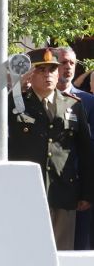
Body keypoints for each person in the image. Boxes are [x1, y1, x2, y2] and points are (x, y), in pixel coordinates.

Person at [0, 48, 94, 250]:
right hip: (26, 192)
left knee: (62, 253)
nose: (48, 75)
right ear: (30, 74)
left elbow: (85, 152)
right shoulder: (20, 102)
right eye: (41, 70)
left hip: (63, 192)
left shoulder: (73, 105)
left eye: (52, 69)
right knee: (27, 251)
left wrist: (87, 193)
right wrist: (17, 89)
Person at [55, 48, 94, 250]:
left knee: (77, 247)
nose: (67, 67)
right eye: (62, 62)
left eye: (71, 63)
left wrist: (86, 191)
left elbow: (89, 150)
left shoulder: (88, 102)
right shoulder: (40, 99)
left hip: (77, 189)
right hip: (50, 188)